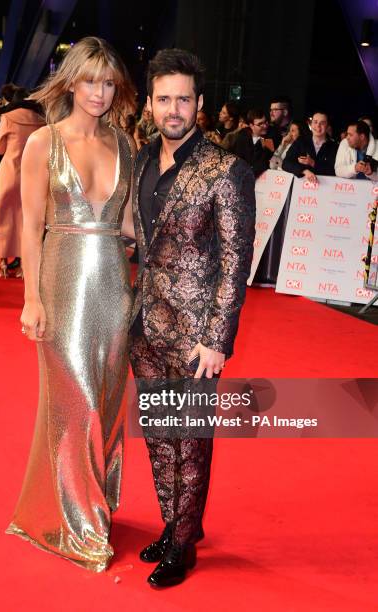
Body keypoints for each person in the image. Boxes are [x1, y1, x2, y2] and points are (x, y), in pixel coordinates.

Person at [5, 36, 136, 572]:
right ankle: (75, 527)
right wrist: (31, 299)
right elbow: (31, 228)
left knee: (105, 403)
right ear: (71, 82)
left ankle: (93, 507)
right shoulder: (44, 142)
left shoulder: (125, 144)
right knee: (74, 403)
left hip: (114, 286)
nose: (99, 93)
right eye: (90, 81)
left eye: (108, 83)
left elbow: (129, 226)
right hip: (62, 285)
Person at [129, 48, 255, 588]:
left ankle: (183, 544)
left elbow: (235, 259)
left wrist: (217, 338)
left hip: (196, 336)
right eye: (164, 99)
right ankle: (174, 523)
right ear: (151, 104)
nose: (173, 109)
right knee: (160, 433)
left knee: (190, 439)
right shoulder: (139, 161)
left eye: (183, 98)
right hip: (144, 328)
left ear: (200, 103)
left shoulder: (227, 170)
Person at [0, 87, 44, 278]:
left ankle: (3, 262)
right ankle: (23, 264)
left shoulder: (8, 117)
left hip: (10, 172)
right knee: (27, 217)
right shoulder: (41, 120)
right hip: (34, 174)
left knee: (4, 214)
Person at [282, 111, 338, 182]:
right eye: (315, 122)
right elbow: (286, 163)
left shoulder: (334, 147)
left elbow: (333, 170)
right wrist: (304, 171)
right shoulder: (301, 141)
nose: (318, 125)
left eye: (322, 123)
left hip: (325, 188)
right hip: (300, 188)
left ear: (327, 126)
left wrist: (313, 163)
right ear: (311, 124)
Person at [229, 108, 274, 178]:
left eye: (265, 122)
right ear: (251, 125)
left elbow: (265, 160)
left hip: (261, 179)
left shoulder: (269, 138)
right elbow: (237, 158)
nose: (265, 126)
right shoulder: (242, 136)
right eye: (260, 124)